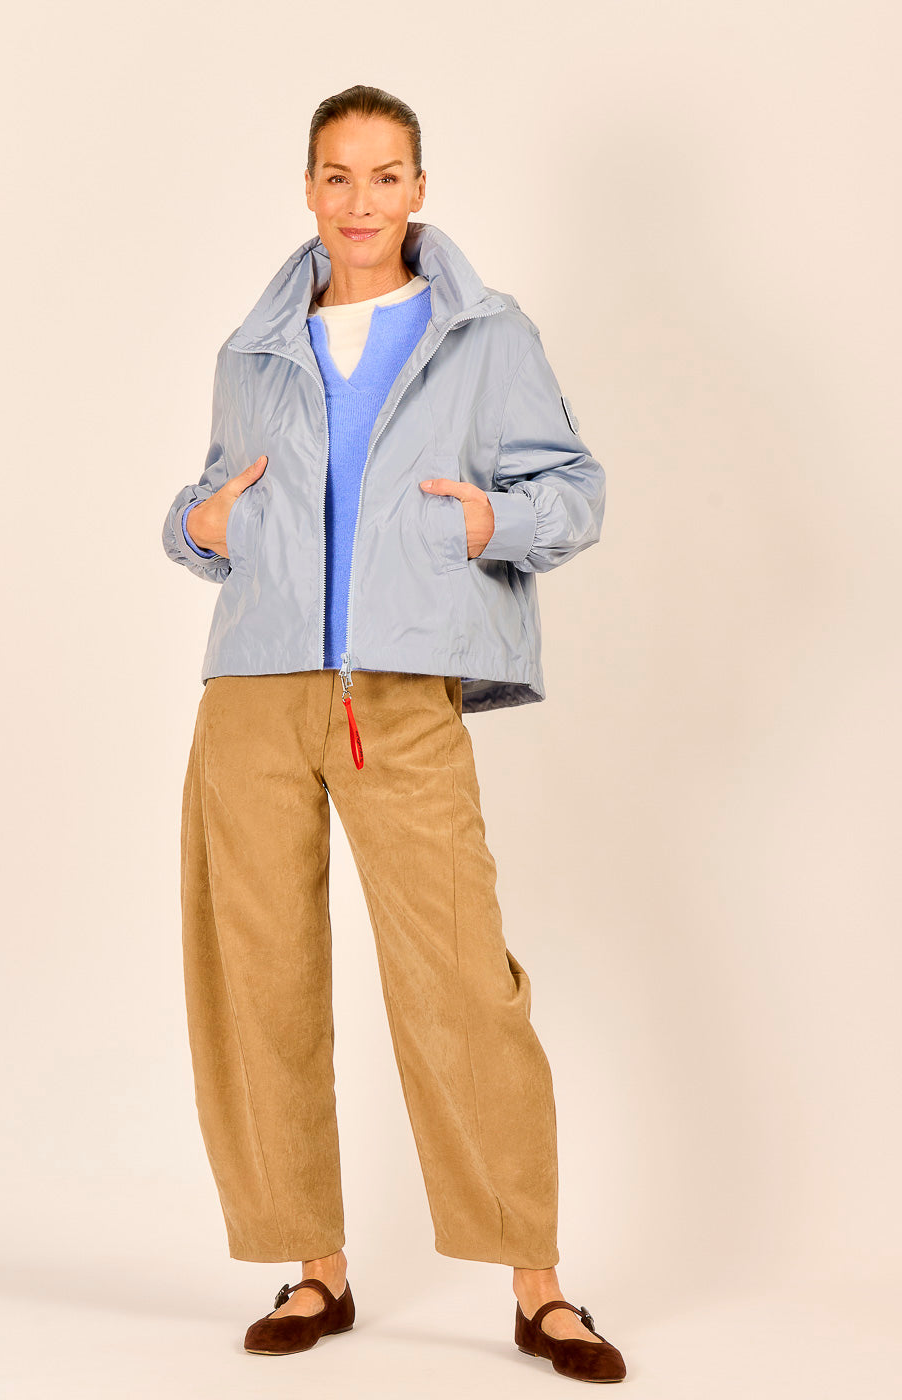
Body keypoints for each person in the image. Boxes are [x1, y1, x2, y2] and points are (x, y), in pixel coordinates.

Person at [161, 84, 626, 1384]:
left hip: (404, 690)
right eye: (337, 176)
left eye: (383, 176)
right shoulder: (254, 348)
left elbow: (572, 490)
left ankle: (537, 1285)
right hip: (254, 689)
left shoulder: (484, 332)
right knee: (257, 975)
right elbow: (208, 503)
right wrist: (198, 524)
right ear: (308, 189)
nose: (359, 201)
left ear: (419, 189)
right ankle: (315, 1265)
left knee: (463, 977)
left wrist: (486, 524)